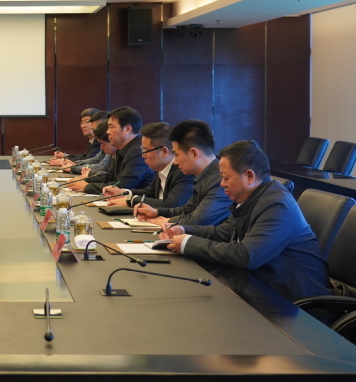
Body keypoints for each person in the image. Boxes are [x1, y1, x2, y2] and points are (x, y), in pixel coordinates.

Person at [161, 140, 332, 302]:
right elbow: (224, 232)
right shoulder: (254, 197)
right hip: (265, 290)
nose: (222, 184)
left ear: (249, 176)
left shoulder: (277, 205)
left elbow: (247, 256)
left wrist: (188, 243)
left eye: (226, 178)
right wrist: (184, 230)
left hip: (298, 305)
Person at [133, 120, 231, 226]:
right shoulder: (204, 175)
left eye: (177, 155)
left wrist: (167, 221)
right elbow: (187, 209)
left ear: (194, 154)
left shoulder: (219, 179)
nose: (175, 162)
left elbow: (199, 220)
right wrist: (156, 212)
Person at [104, 122, 194, 209]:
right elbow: (150, 192)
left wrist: (131, 200)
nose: (143, 155)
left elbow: (172, 204)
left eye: (145, 150)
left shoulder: (183, 171)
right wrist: (124, 193)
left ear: (164, 151)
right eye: (142, 150)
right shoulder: (160, 167)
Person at [68, 106, 153, 194]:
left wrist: (87, 186)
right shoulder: (123, 148)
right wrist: (84, 181)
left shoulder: (138, 151)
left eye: (111, 127)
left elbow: (122, 185)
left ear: (127, 129)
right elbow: (109, 177)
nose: (108, 132)